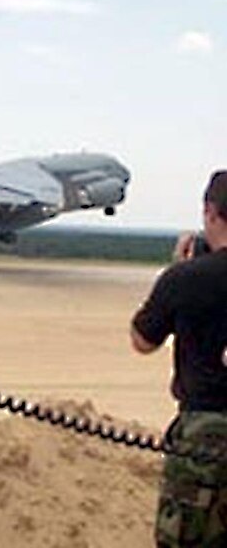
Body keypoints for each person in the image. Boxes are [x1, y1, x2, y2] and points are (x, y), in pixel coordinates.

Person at [131, 170, 227, 547]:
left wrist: (177, 273)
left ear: (210, 212)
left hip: (204, 433)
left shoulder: (185, 279)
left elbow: (142, 340)